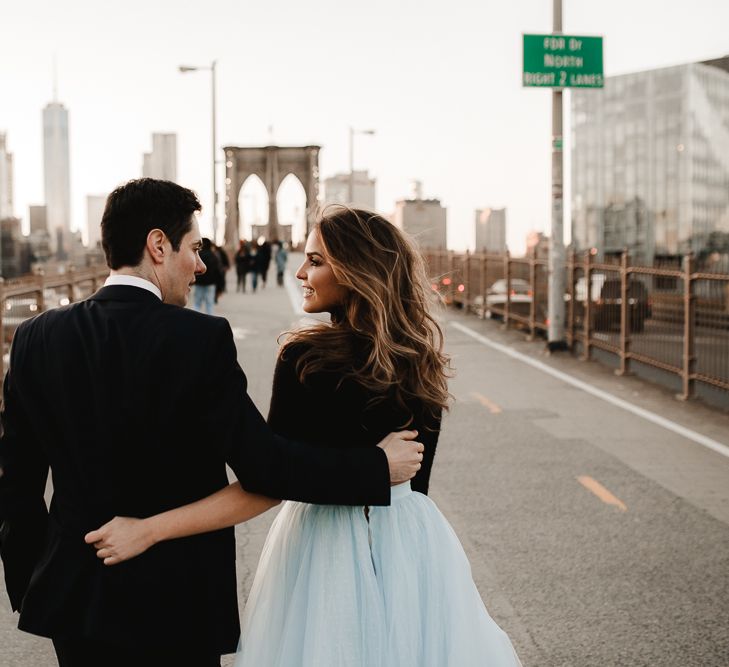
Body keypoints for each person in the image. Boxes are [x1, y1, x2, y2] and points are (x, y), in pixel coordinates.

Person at [0, 182, 424, 667]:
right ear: (158, 246)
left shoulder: (35, 339)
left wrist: (34, 581)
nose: (201, 265)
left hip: (74, 594)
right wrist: (374, 468)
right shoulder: (198, 339)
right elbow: (265, 466)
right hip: (179, 599)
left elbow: (16, 482)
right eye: (195, 248)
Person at [84, 205, 523, 666]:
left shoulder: (305, 358)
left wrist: (150, 530)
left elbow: (268, 480)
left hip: (326, 547)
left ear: (355, 271)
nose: (299, 272)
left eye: (315, 261)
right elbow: (414, 482)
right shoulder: (418, 357)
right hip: (412, 544)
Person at [193, 237, 222, 314]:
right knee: (209, 304)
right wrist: (220, 287)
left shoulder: (198, 256)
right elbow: (218, 272)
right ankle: (210, 323)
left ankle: (194, 321)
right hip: (210, 283)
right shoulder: (214, 256)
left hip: (199, 282)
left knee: (197, 304)